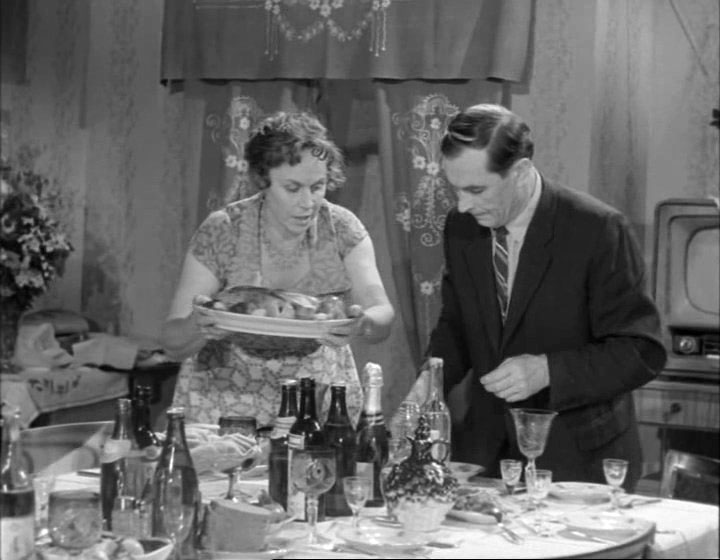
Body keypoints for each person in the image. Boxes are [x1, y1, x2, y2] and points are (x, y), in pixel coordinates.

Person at [404, 103, 666, 491]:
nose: (462, 205)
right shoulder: (462, 227)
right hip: (487, 454)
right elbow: (457, 324)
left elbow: (641, 351)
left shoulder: (596, 229)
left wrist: (547, 370)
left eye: (476, 189)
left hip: (579, 460)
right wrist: (430, 381)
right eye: (454, 189)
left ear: (521, 171)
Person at [160, 110, 394, 428]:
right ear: (262, 180)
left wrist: (361, 323)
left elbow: (382, 314)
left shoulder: (341, 227)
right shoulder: (224, 228)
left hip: (314, 404)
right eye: (292, 188)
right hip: (225, 405)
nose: (308, 202)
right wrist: (199, 324)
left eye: (318, 186)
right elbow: (172, 342)